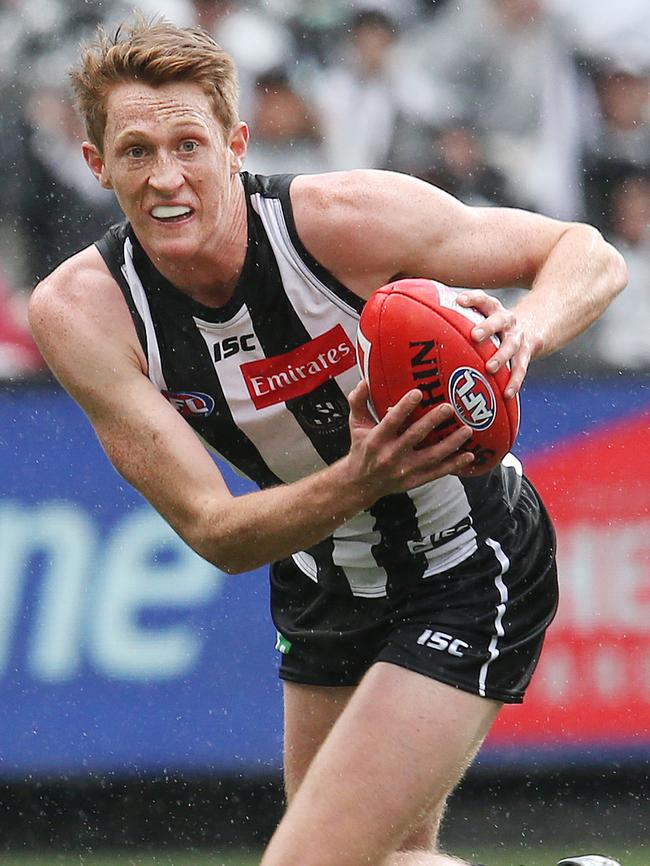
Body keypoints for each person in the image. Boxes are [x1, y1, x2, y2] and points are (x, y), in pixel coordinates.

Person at [28, 18, 627, 866]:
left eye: (189, 145)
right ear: (96, 165)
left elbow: (588, 253)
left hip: (466, 555)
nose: (167, 178)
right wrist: (360, 477)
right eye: (135, 152)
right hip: (323, 581)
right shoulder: (80, 311)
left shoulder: (343, 221)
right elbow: (216, 533)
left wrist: (520, 334)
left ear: (236, 144)